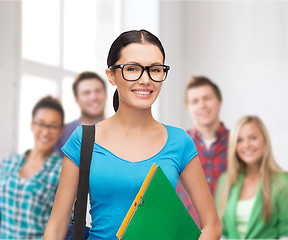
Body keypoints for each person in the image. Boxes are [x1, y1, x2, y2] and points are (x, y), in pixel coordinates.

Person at [44, 29, 222, 240]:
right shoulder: (83, 140)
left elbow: (212, 225)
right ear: (111, 75)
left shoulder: (180, 142)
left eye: (155, 70)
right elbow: (56, 228)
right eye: (132, 69)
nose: (145, 80)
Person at [0, 96, 64, 239]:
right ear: (32, 125)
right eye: (40, 124)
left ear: (61, 131)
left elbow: (63, 226)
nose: (45, 132)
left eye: (53, 126)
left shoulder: (61, 172)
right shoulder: (8, 163)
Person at [215, 115, 288, 239]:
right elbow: (222, 233)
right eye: (240, 140)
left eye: (253, 138)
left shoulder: (282, 181)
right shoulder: (225, 182)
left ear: (264, 141)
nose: (246, 145)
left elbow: (285, 233)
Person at [176, 76, 229, 224]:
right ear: (188, 108)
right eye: (195, 101)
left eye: (207, 98)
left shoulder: (239, 144)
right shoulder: (178, 145)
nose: (202, 105)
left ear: (219, 102)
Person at [54, 71, 107, 155]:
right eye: (86, 93)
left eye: (98, 91)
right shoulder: (62, 134)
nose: (93, 97)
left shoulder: (121, 131)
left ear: (106, 94)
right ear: (77, 100)